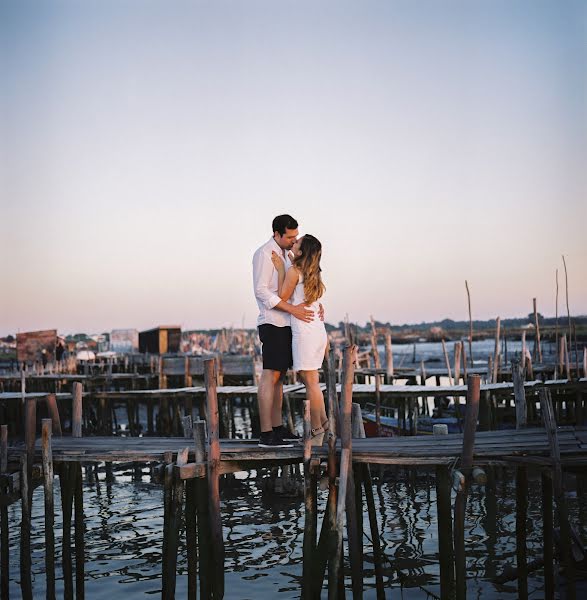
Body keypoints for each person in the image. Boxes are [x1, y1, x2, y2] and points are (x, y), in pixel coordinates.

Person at [252, 214, 315, 448]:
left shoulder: (287, 255)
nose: (293, 240)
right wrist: (292, 309)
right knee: (270, 375)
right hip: (272, 323)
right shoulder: (263, 254)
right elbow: (261, 292)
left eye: (296, 236)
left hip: (287, 323)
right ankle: (266, 434)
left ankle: (277, 429)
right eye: (290, 236)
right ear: (277, 234)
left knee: (279, 378)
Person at [271, 234, 328, 445]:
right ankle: (324, 424)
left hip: (305, 331)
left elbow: (281, 298)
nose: (293, 243)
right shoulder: (313, 272)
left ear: (302, 251)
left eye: (297, 243)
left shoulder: (295, 271)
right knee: (313, 382)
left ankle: (316, 431)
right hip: (317, 330)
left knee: (311, 383)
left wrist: (279, 270)